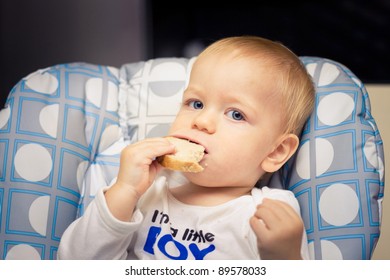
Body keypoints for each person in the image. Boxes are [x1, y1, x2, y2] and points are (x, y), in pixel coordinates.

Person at [58, 35, 315, 260]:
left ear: (275, 152)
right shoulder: (146, 190)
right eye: (196, 103)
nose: (201, 121)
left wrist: (284, 258)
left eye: (236, 114)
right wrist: (124, 191)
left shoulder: (271, 211)